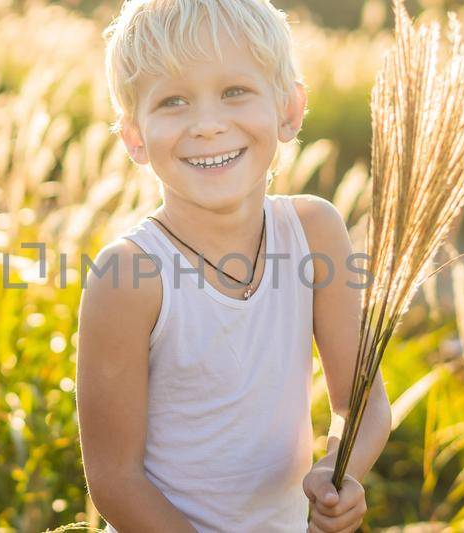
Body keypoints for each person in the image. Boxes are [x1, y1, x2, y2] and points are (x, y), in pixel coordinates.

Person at [75, 1, 393, 531]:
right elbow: (115, 478)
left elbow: (365, 405)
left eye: (234, 92)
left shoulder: (314, 233)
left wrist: (338, 473)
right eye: (173, 101)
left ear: (289, 110)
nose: (206, 125)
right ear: (134, 136)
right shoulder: (129, 275)